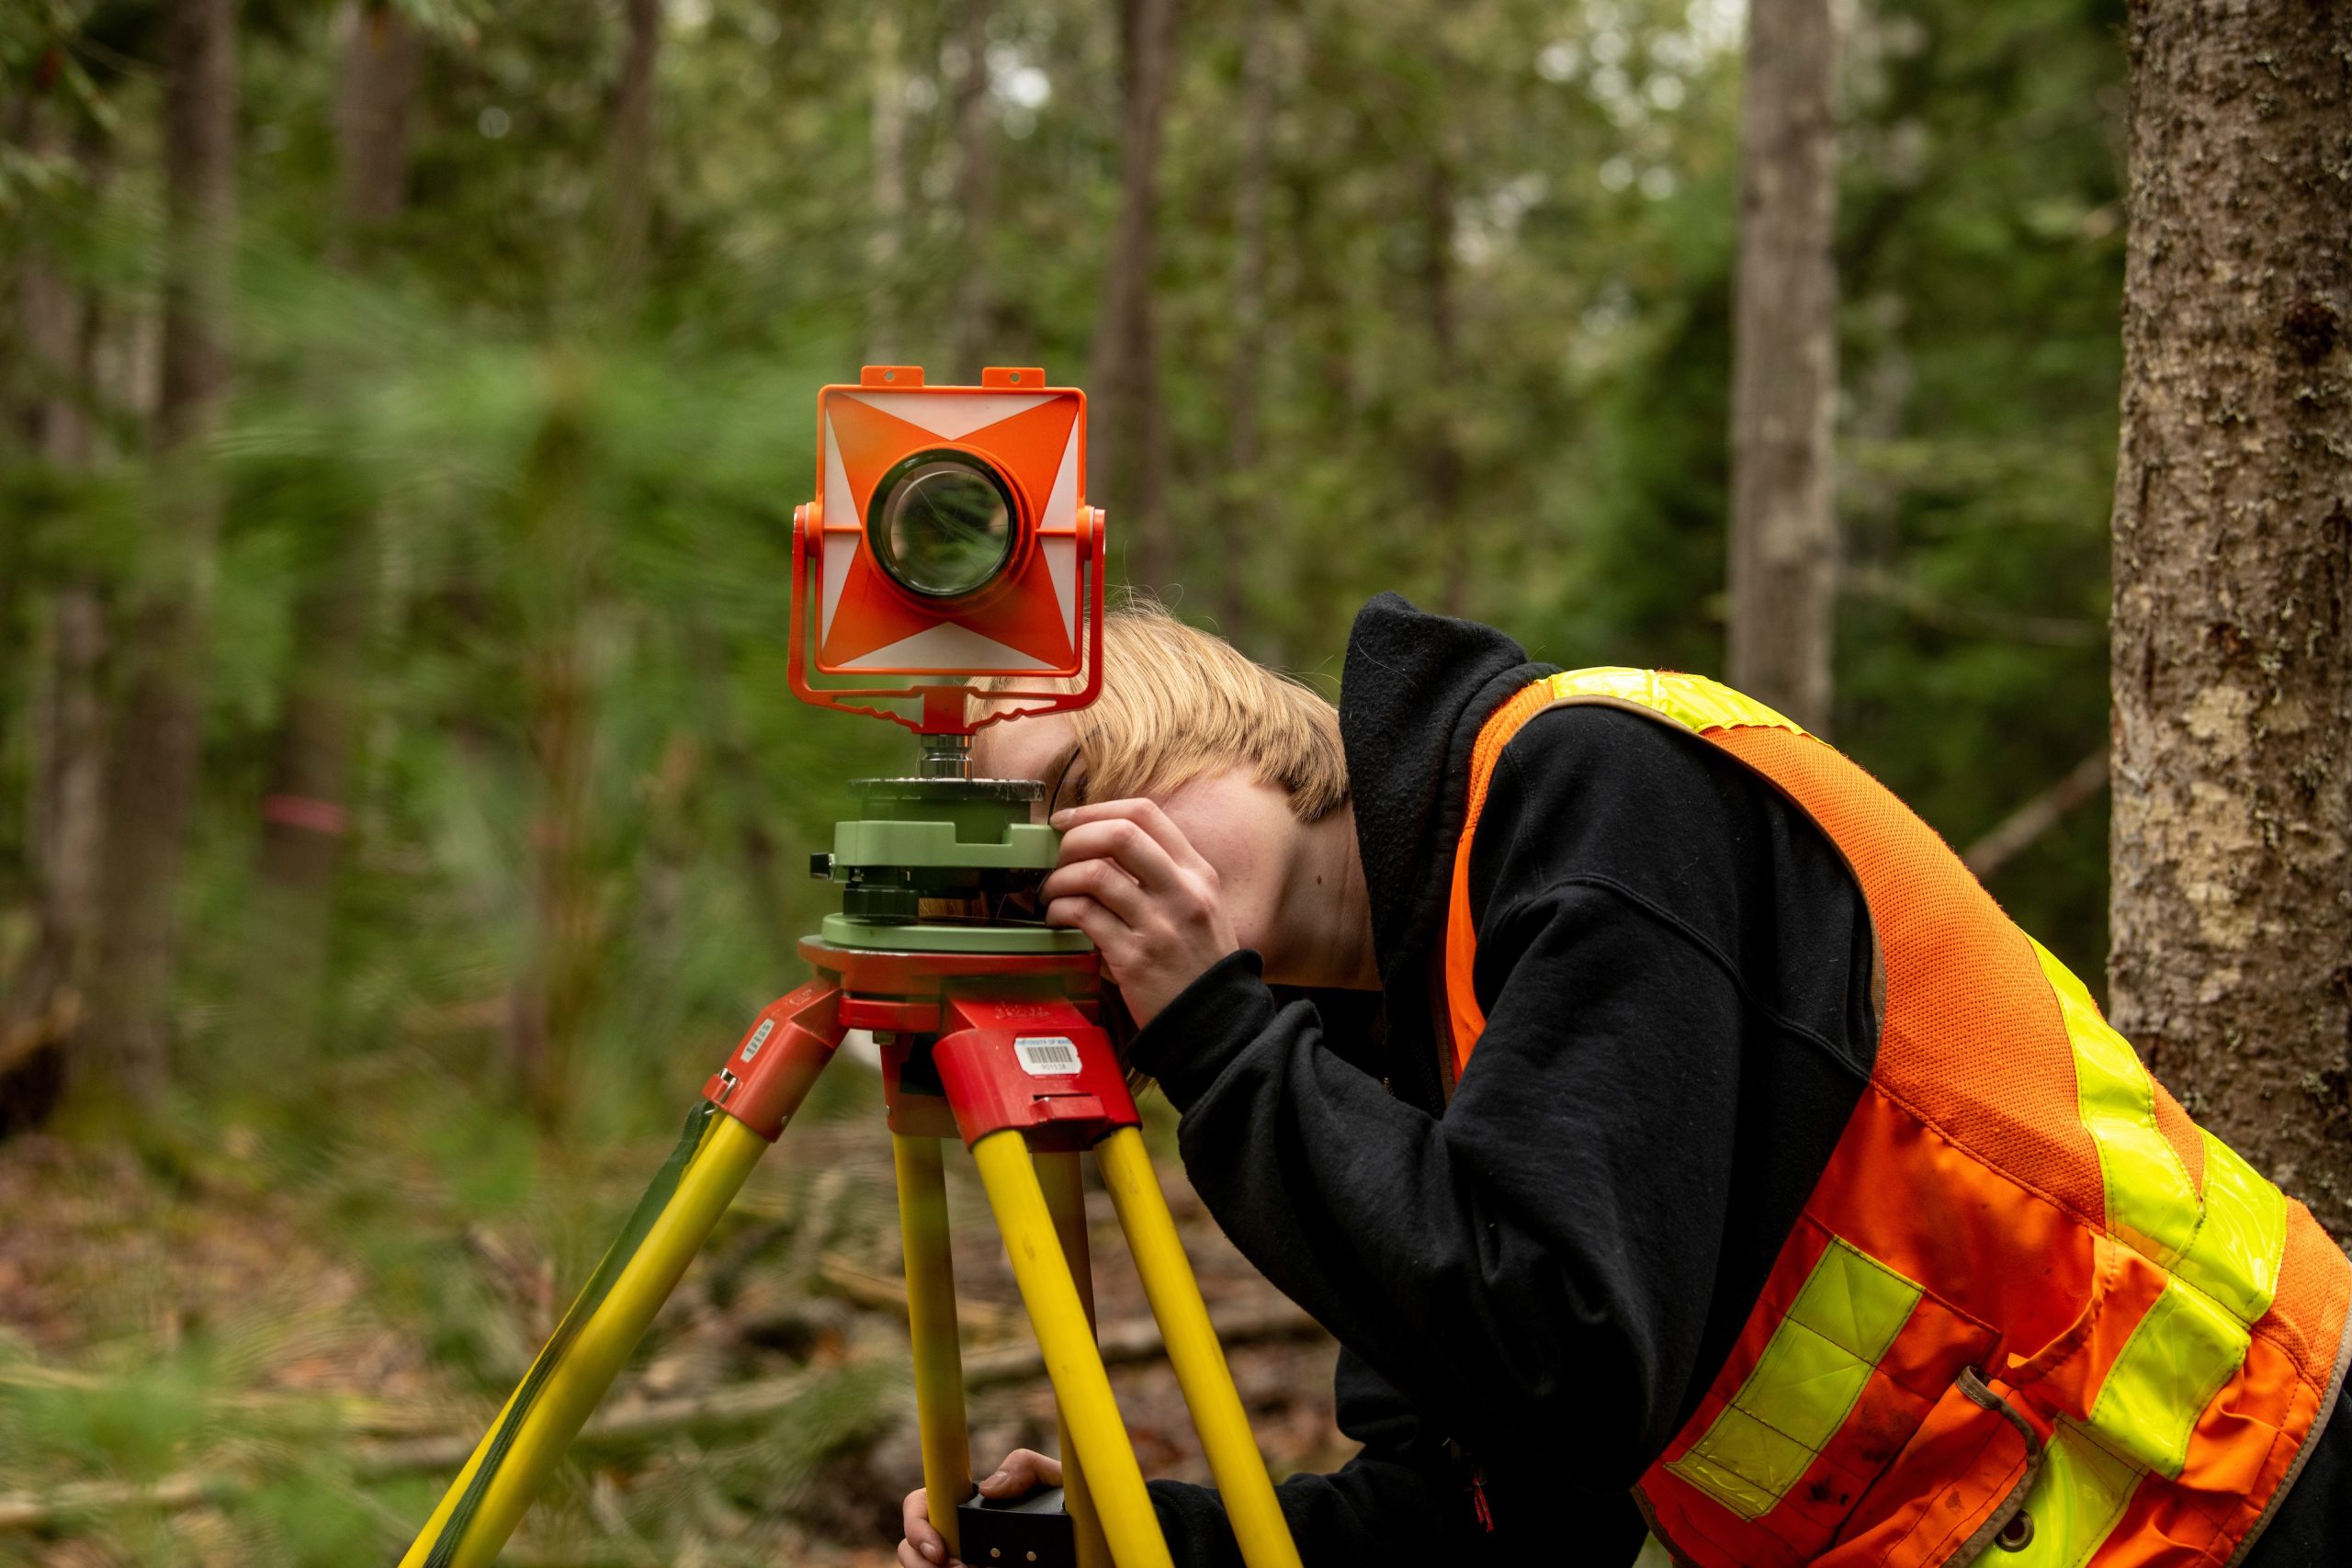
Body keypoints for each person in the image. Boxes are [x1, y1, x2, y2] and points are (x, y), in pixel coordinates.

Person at [897, 594, 2352, 1568]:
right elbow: (1482, 1521)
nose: (1099, 857)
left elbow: (1569, 1354)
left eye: (1096, 784)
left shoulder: (1588, 785)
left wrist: (1218, 1039)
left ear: (1231, 729)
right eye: (1046, 867)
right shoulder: (1379, 1053)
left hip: (2242, 1479)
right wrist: (1128, 1543)